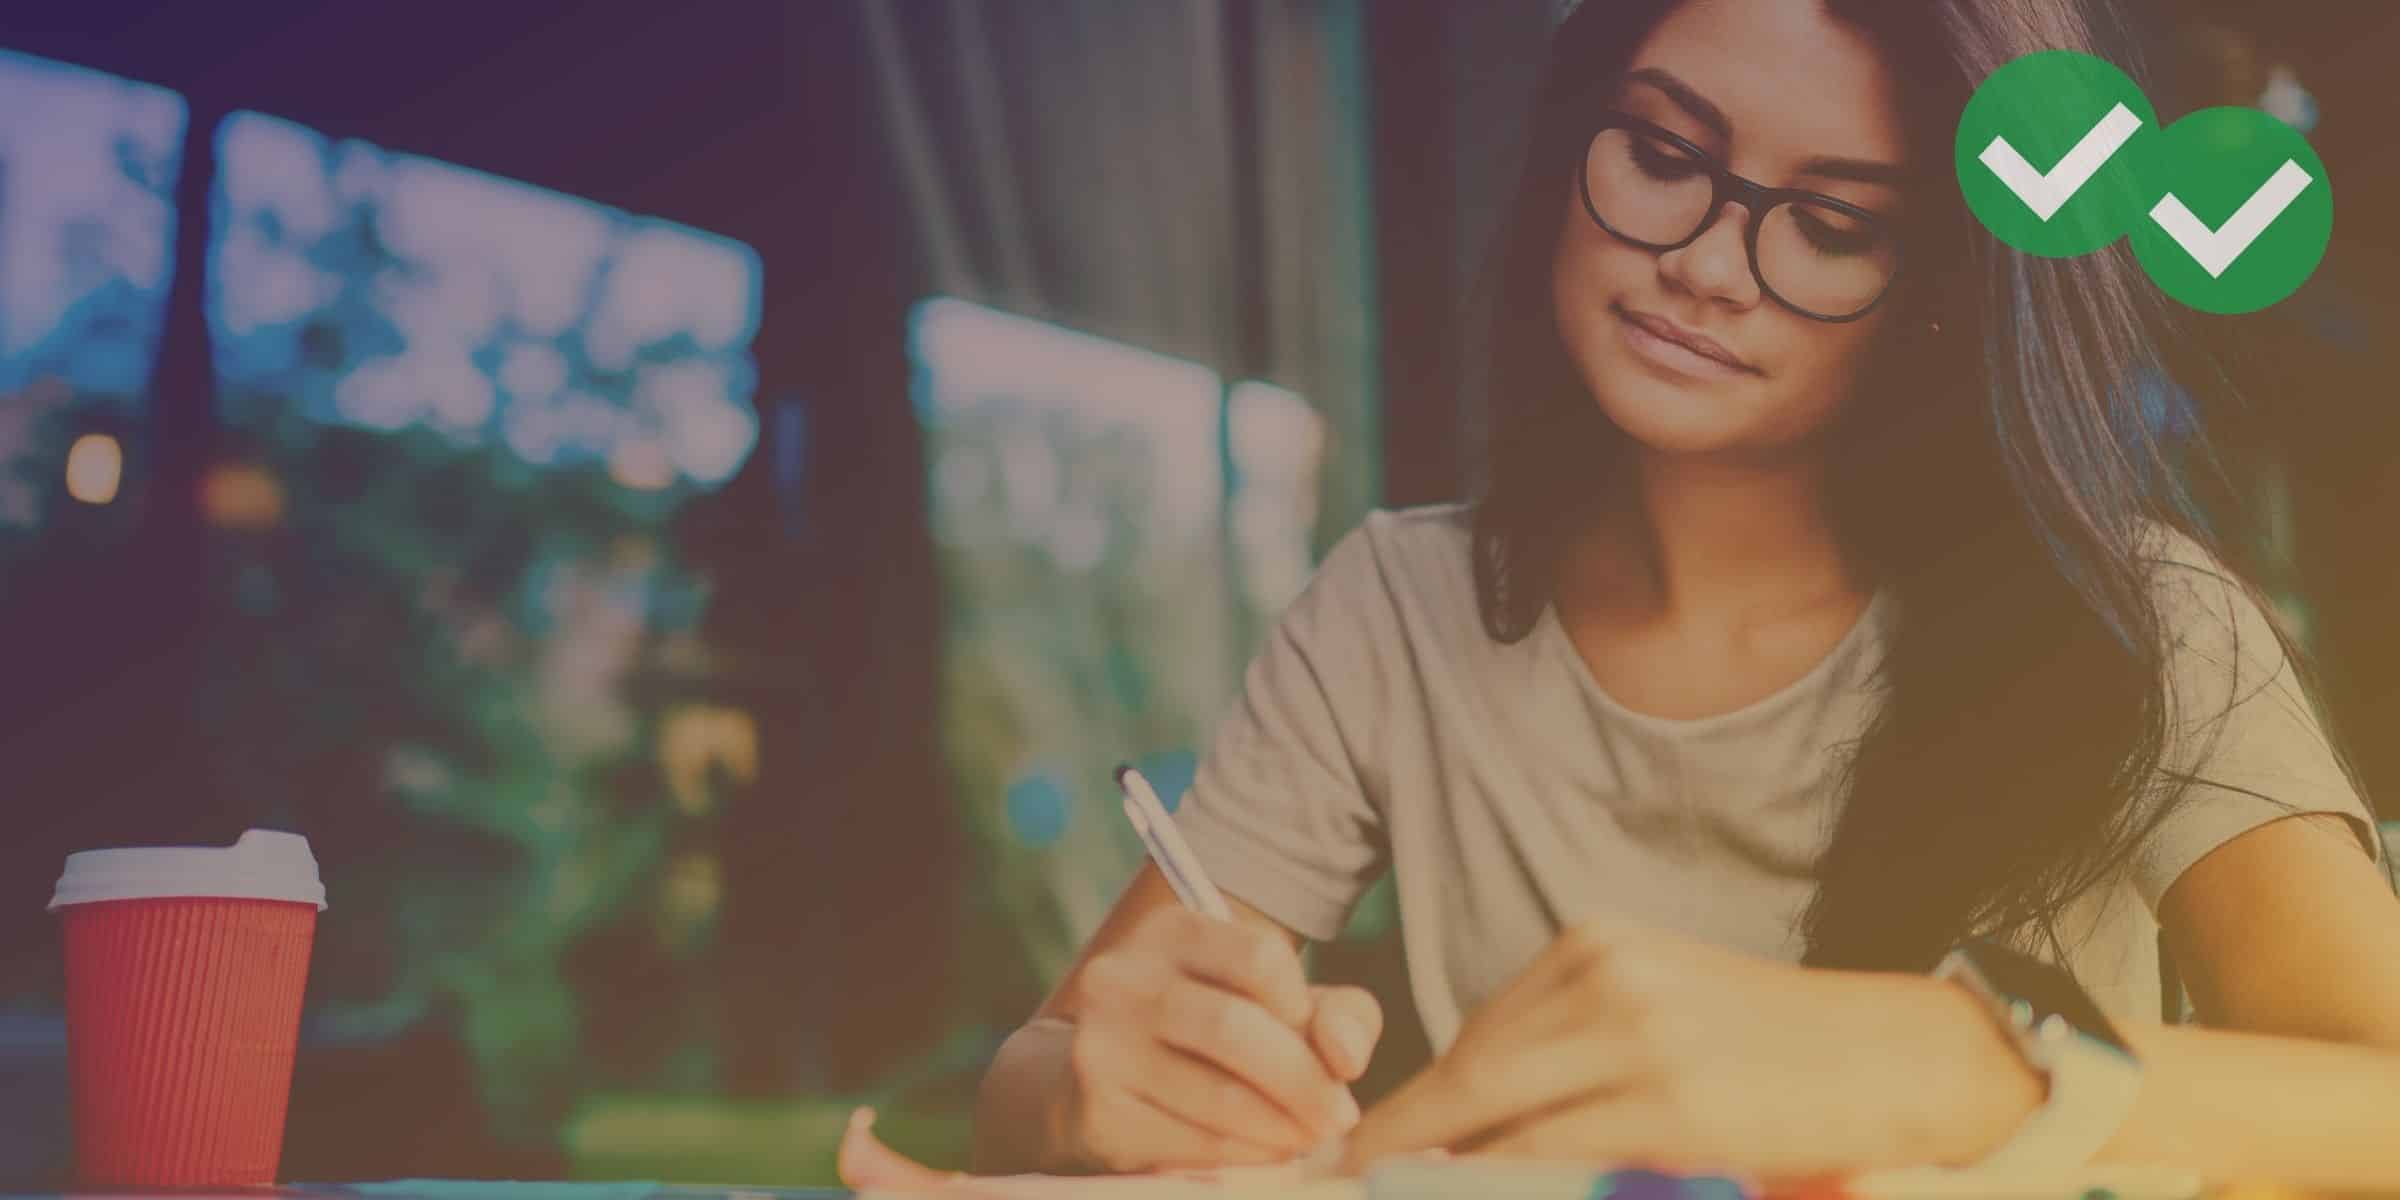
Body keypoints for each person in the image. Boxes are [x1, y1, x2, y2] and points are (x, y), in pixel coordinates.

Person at [974, 0, 2400, 1184]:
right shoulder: (1397, 605)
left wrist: (1956, 1071)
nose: (1707, 262)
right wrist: (1099, 1091)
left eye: (1834, 225)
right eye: (1663, 153)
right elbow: (1037, 1077)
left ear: (1936, 290)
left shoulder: (2139, 621)